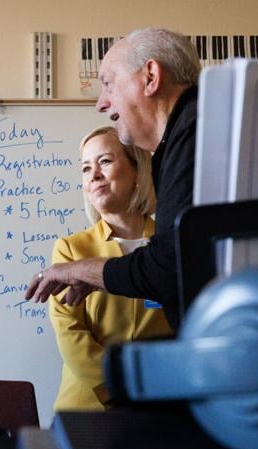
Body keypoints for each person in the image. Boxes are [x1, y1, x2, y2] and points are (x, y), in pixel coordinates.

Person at [26, 27, 200, 332]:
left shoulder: (194, 136)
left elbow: (167, 270)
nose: (101, 104)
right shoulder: (190, 132)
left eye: (108, 84)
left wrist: (82, 270)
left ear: (150, 77)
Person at [51, 127, 172, 411]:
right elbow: (71, 334)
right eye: (85, 168)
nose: (93, 175)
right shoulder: (70, 250)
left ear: (137, 170)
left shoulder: (170, 244)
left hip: (163, 406)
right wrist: (119, 390)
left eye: (104, 162)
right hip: (90, 409)